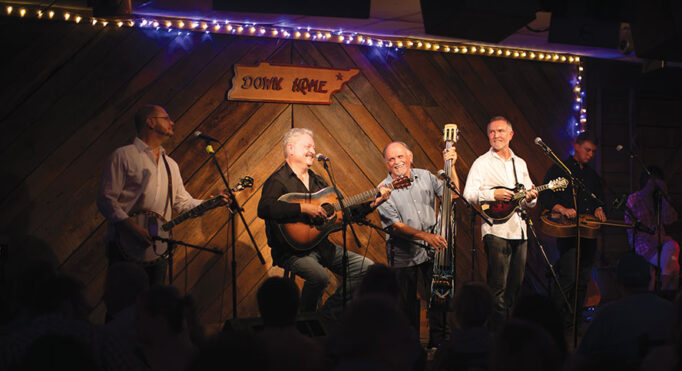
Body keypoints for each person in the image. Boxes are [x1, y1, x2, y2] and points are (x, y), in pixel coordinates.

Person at [257, 128, 390, 313]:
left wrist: (373, 203)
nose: (313, 150)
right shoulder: (278, 181)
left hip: (322, 247)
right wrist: (303, 208)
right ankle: (305, 321)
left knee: (367, 268)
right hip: (291, 252)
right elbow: (264, 208)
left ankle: (326, 315)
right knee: (320, 277)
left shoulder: (318, 181)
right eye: (308, 146)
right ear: (291, 149)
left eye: (313, 146)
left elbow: (344, 212)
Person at [97, 104, 228, 285]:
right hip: (124, 246)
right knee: (122, 307)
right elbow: (106, 199)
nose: (172, 123)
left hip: (157, 249)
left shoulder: (171, 165)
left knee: (154, 308)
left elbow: (183, 203)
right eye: (166, 119)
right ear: (150, 122)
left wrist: (212, 202)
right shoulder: (123, 156)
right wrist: (131, 227)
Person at [375, 141, 459, 347]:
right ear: (386, 164)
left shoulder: (426, 176)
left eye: (400, 157)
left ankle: (437, 345)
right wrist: (425, 236)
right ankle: (409, 350)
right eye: (391, 159)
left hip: (433, 250)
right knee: (406, 306)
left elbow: (453, 195)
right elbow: (395, 226)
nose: (397, 162)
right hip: (403, 254)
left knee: (439, 298)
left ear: (410, 156)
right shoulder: (384, 190)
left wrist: (452, 166)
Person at [463, 116, 538, 332]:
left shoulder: (520, 163)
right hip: (495, 229)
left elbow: (527, 200)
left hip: (519, 230)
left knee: (515, 286)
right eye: (492, 132)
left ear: (511, 134)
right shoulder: (481, 163)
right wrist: (493, 194)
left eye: (501, 131)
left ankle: (509, 331)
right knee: (497, 286)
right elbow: (468, 194)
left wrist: (532, 197)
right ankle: (495, 335)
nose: (496, 136)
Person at [541, 131, 605, 333]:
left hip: (588, 232)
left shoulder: (591, 175)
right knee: (569, 278)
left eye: (594, 151)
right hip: (568, 233)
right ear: (576, 145)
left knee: (584, 278)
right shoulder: (559, 169)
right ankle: (555, 322)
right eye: (587, 150)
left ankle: (574, 322)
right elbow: (547, 197)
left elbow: (598, 199)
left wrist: (599, 208)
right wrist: (562, 209)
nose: (591, 155)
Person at [624, 165, 680, 290]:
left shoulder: (658, 200)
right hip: (643, 246)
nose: (653, 184)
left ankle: (663, 290)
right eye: (652, 180)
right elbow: (636, 230)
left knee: (673, 248)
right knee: (674, 267)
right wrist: (658, 238)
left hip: (660, 243)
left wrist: (665, 196)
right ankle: (665, 293)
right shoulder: (634, 199)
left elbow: (670, 220)